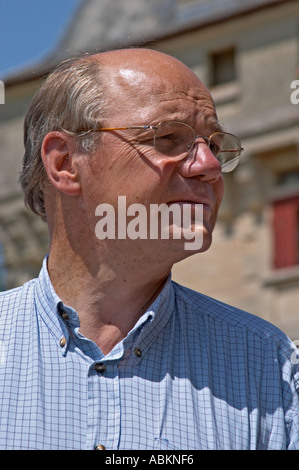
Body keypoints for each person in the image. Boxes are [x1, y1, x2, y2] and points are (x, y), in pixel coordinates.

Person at [0, 48, 298, 451]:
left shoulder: (267, 364)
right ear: (65, 162)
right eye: (168, 138)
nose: (208, 164)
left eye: (214, 144)